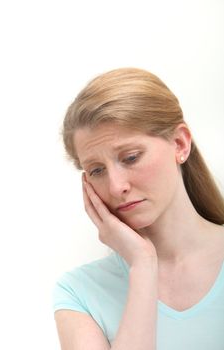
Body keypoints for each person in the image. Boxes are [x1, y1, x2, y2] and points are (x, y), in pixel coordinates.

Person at [53, 68, 224, 350]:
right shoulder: (79, 291)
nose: (116, 186)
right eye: (96, 170)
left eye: (130, 158)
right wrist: (143, 266)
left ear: (180, 144)